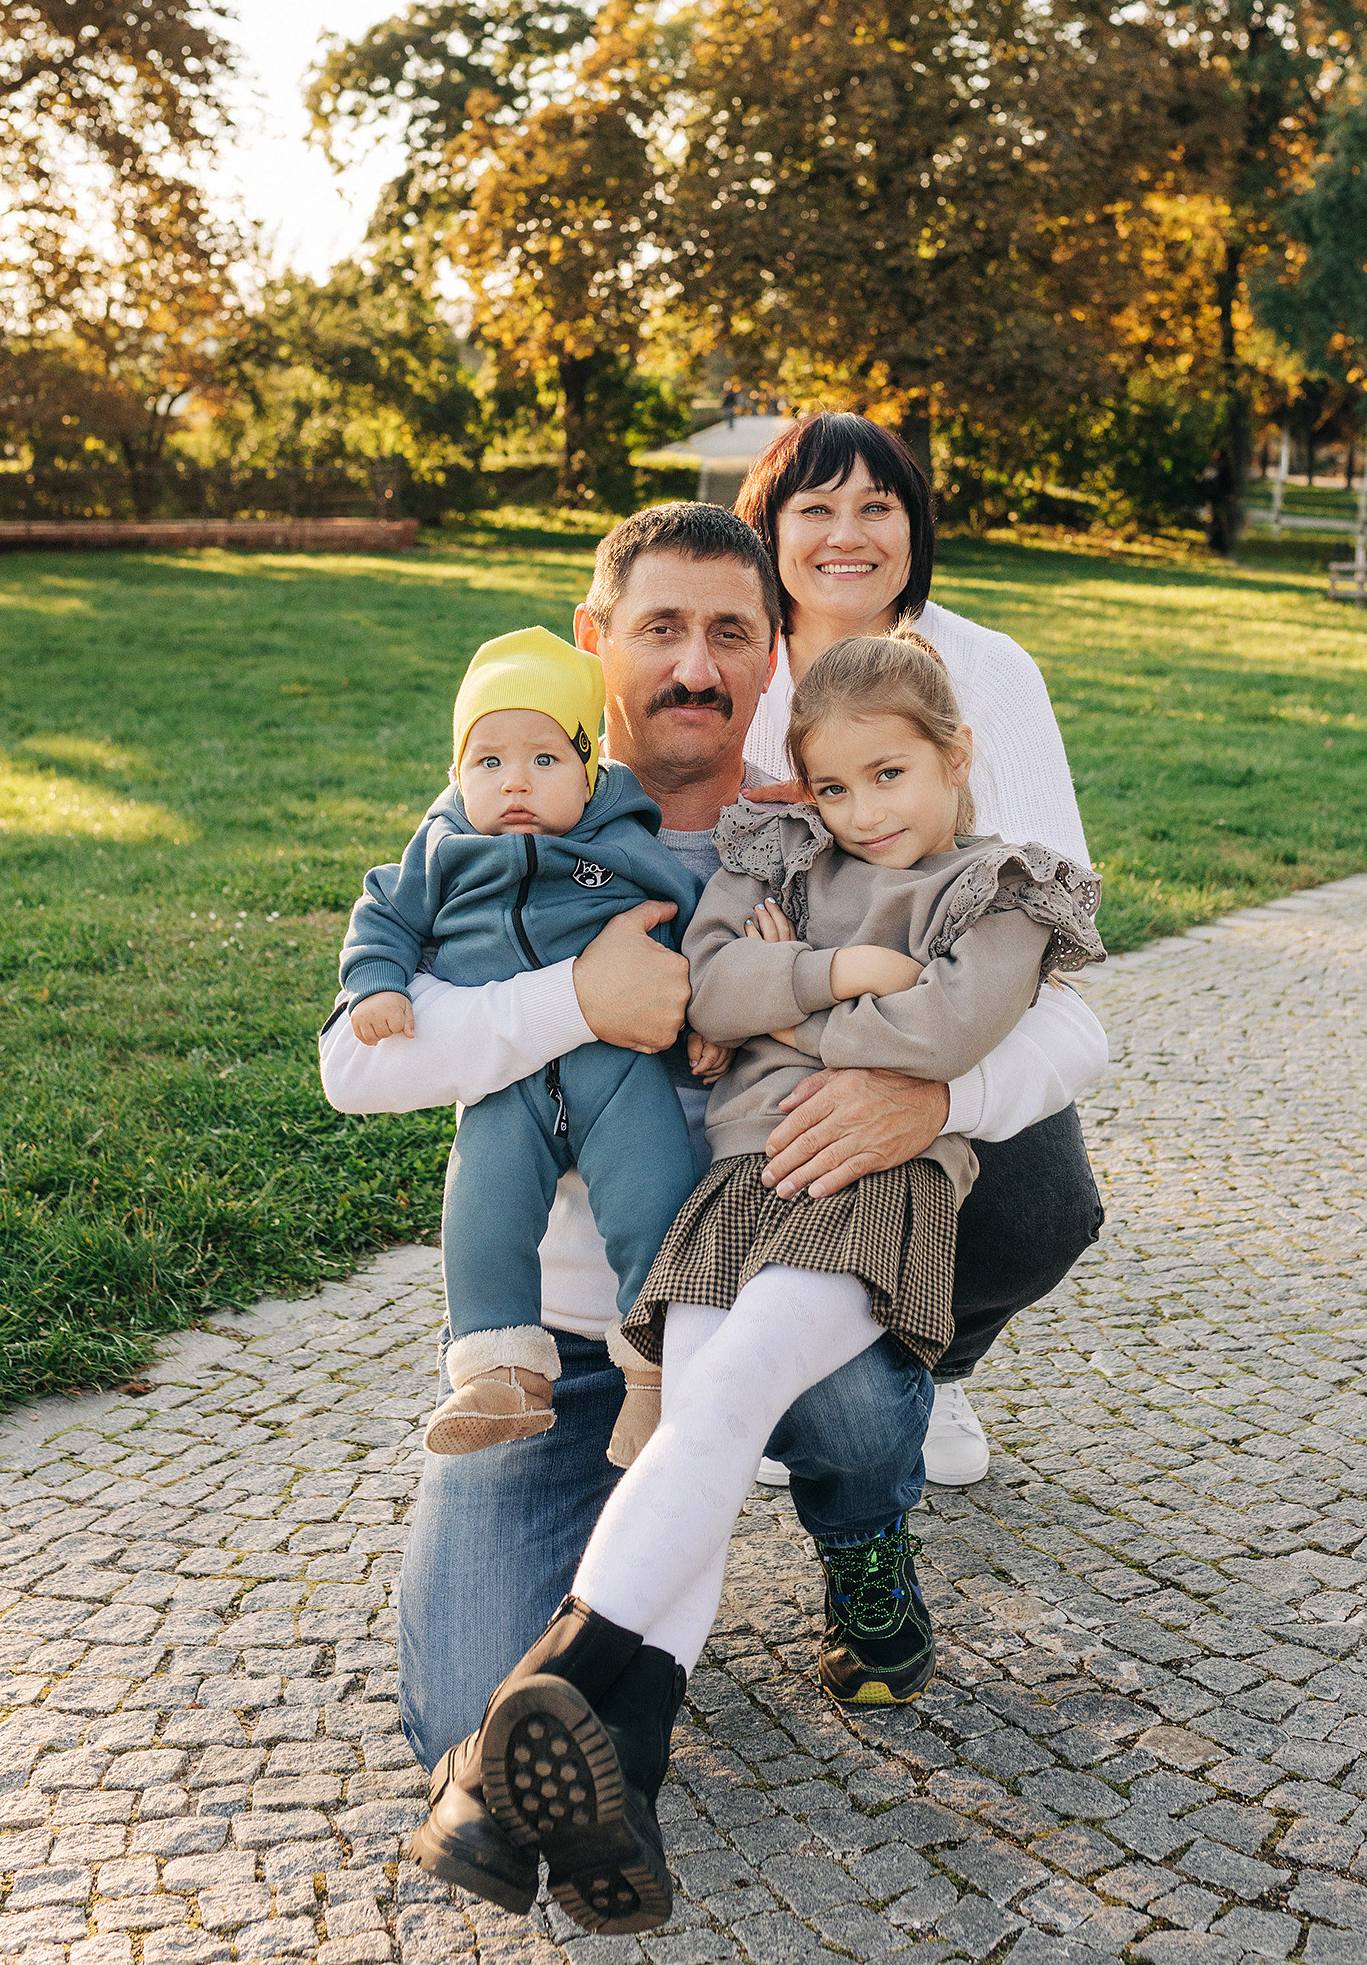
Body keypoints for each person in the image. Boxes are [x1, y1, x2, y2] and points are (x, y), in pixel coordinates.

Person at [318, 498, 1105, 1906]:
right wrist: (577, 998)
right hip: (570, 1342)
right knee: (456, 1714)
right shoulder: (510, 806)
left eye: (730, 632)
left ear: (772, 652)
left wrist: (933, 1100)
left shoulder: (817, 829)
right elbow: (351, 1066)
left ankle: (860, 1533)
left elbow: (1067, 1026)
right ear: (594, 639)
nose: (695, 665)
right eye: (661, 628)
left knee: (837, 1396)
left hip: (771, 1259)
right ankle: (586, 1787)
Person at [735, 409, 1104, 1486]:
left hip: (944, 1003)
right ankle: (782, 1376)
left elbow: (1041, 928)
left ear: (914, 526)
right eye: (815, 508)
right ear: (769, 529)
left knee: (1042, 1209)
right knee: (763, 1167)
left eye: (876, 506)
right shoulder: (736, 669)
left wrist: (931, 1091)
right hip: (772, 1010)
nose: (846, 534)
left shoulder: (987, 670)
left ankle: (929, 1364)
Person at [328, 624, 713, 1458]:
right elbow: (383, 915)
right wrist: (379, 984)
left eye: (544, 759)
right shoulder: (442, 849)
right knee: (482, 1211)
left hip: (620, 1071)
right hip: (507, 1089)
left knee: (655, 1196)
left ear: (589, 767)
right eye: (488, 761)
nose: (515, 782)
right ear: (457, 773)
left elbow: (690, 928)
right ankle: (500, 1373)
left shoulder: (621, 841)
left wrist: (707, 1022)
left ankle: (657, 1378)